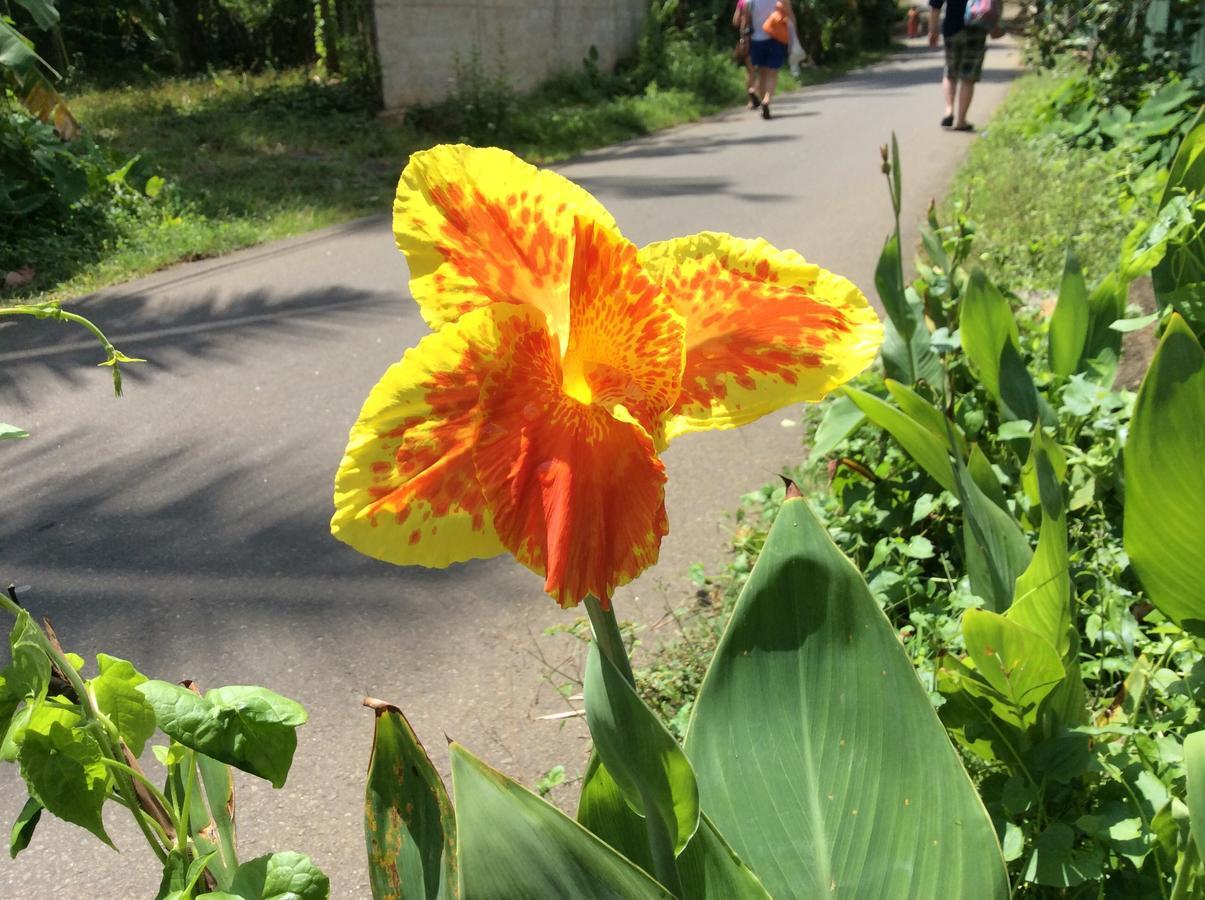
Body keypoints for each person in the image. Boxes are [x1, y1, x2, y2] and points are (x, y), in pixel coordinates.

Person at [928, 0, 1003, 132]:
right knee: (968, 77)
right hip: (977, 29)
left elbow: (935, 6)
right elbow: (995, 3)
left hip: (952, 29)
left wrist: (932, 30)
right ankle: (961, 121)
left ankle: (949, 109)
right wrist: (994, 27)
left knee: (950, 73)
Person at [743, 0, 795, 120]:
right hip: (776, 38)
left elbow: (745, 22)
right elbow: (789, 15)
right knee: (772, 73)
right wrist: (794, 39)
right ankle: (766, 100)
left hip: (756, 40)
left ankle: (754, 90)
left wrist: (745, 40)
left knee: (762, 73)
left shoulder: (748, 1)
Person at [733, 0, 758, 109]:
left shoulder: (742, 2)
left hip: (747, 39)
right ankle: (757, 92)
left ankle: (750, 100)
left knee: (750, 71)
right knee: (764, 69)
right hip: (763, 36)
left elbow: (735, 21)